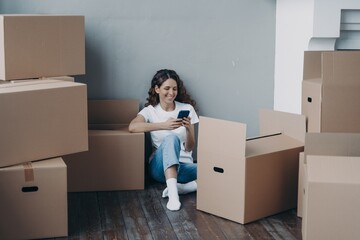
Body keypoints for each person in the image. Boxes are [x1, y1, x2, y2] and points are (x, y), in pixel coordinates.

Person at [129, 69, 199, 211]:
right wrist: (164, 125)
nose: (171, 93)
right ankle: (174, 195)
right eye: (166, 88)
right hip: (160, 168)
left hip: (184, 167)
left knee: (217, 172)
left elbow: (190, 148)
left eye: (174, 89)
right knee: (171, 137)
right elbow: (132, 127)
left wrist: (188, 129)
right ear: (157, 89)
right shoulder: (150, 110)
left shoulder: (187, 108)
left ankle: (185, 188)